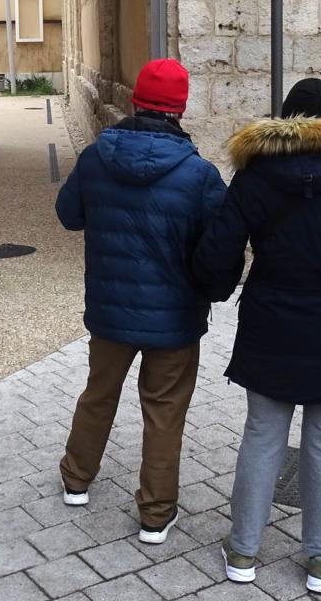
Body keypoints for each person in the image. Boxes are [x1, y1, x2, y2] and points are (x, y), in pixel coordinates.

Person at [192, 78, 321, 595]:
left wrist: (213, 290)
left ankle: (243, 549)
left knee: (263, 435)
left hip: (271, 321)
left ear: (286, 118)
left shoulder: (255, 174)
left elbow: (222, 247)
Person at [55, 58, 227, 544]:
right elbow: (217, 246)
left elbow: (69, 216)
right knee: (164, 409)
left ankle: (75, 479)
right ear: (181, 108)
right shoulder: (199, 174)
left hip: (110, 310)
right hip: (174, 318)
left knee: (98, 393)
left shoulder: (95, 157)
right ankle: (155, 514)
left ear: (136, 100)